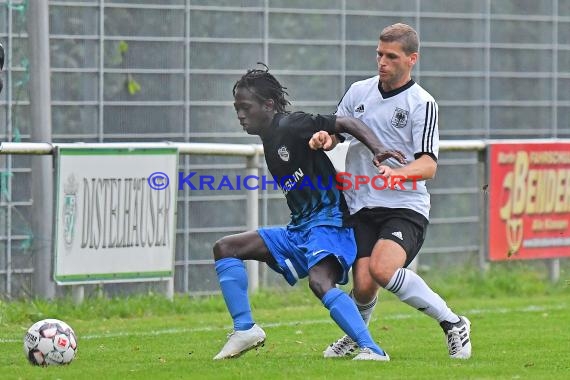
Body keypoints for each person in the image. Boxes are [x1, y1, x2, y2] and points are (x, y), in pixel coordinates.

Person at [212, 64, 405, 361]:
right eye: (236, 108)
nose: (240, 114)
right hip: (300, 229)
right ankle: (245, 329)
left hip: (330, 224)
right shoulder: (269, 138)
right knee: (226, 248)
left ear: (269, 105)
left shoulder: (291, 124)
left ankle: (372, 349)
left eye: (245, 107)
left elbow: (346, 123)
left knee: (320, 282)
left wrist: (377, 149)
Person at [309, 23, 472, 360]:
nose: (382, 61)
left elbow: (428, 164)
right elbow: (337, 132)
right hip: (362, 204)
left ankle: (453, 323)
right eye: (379, 54)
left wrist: (398, 174)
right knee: (365, 286)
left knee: (383, 270)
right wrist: (326, 139)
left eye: (391, 56)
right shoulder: (358, 92)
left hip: (405, 205)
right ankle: (358, 336)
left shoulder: (422, 103)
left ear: (412, 59)